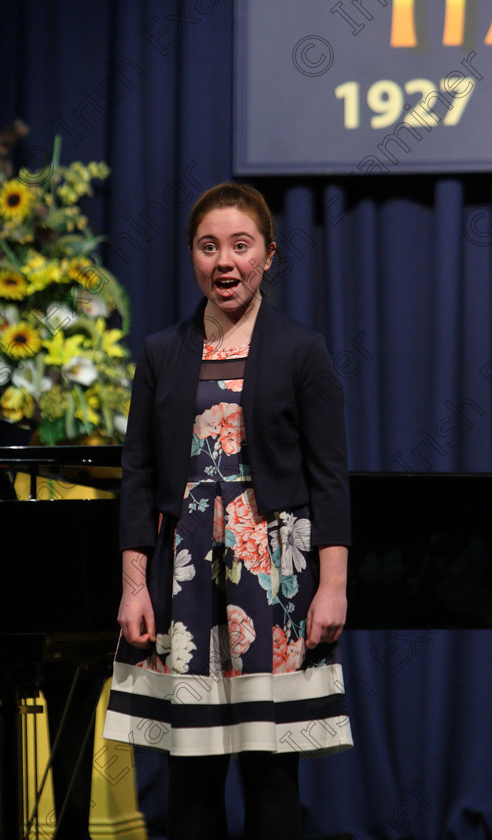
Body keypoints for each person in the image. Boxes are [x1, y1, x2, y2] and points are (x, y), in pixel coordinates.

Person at [103, 182, 353, 840]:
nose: (225, 261)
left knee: (271, 772)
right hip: (182, 581)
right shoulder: (161, 353)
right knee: (191, 775)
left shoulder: (303, 351)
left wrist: (334, 586)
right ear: (192, 256)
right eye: (209, 246)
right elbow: (138, 475)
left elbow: (329, 478)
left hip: (274, 582)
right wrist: (134, 587)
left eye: (241, 246)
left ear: (268, 255)